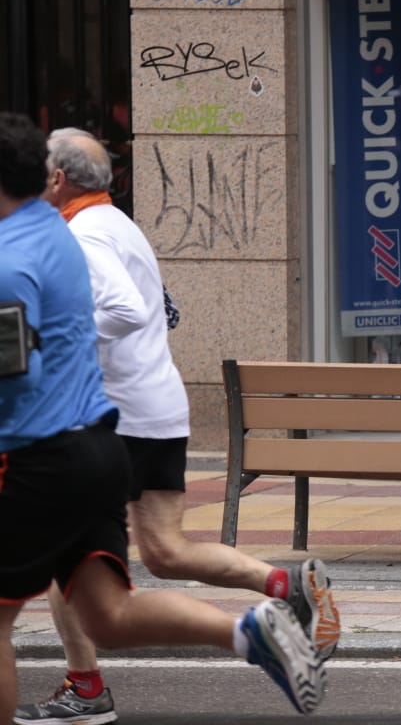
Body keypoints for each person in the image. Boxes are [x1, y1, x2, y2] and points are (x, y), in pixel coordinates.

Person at [0, 113, 326, 723]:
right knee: (117, 606)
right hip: (99, 441)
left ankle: (88, 688)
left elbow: (16, 368)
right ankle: (252, 628)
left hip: (45, 449)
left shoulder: (41, 250)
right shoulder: (60, 230)